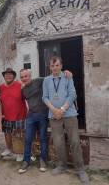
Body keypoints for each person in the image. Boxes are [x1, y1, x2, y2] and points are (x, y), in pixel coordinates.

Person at [42, 56, 89, 184]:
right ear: (49, 67)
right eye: (52, 66)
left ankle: (80, 169)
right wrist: (54, 110)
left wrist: (61, 109)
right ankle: (62, 165)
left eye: (57, 65)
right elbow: (45, 97)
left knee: (74, 141)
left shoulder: (68, 76)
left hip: (69, 113)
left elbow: (72, 94)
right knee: (58, 142)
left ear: (61, 66)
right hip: (54, 116)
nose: (55, 68)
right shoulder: (46, 80)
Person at [18, 69, 72, 174]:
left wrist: (65, 73)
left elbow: (52, 78)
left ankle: (43, 160)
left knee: (43, 138)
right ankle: (26, 161)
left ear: (30, 75)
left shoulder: (39, 80)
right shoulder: (23, 90)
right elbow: (25, 100)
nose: (24, 78)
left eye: (26, 76)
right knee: (28, 139)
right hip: (31, 115)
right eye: (22, 77)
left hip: (43, 114)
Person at [0, 68, 27, 162]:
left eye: (10, 74)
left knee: (19, 134)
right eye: (6, 75)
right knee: (7, 134)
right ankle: (9, 149)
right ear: (4, 76)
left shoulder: (20, 86)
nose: (8, 76)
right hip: (6, 115)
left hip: (20, 115)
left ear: (14, 76)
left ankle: (20, 152)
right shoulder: (1, 87)